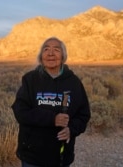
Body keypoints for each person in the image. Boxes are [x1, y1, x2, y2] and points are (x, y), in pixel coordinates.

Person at [11, 37, 91, 167]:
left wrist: (72, 129)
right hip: (32, 156)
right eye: (46, 49)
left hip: (61, 156)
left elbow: (84, 114)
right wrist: (52, 119)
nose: (51, 53)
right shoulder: (30, 80)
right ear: (41, 56)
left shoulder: (74, 82)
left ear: (63, 56)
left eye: (56, 50)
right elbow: (20, 111)